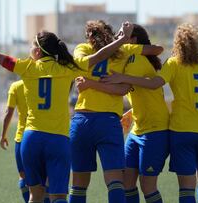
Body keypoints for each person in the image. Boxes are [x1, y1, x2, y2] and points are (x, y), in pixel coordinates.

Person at [0, 21, 135, 203]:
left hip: (31, 139)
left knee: (35, 196)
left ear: (37, 52)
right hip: (57, 141)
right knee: (58, 196)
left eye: (31, 46)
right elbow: (99, 56)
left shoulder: (26, 67)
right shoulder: (69, 68)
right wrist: (121, 40)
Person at [101, 23, 198, 203]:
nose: (117, 37)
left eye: (121, 34)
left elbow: (151, 83)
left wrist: (115, 80)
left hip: (170, 130)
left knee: (168, 186)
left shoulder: (161, 61)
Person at [69, 20, 163, 203]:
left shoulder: (83, 48)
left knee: (78, 186)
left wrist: (90, 84)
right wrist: (123, 41)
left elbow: (84, 63)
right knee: (115, 183)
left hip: (82, 121)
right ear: (109, 34)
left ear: (89, 36)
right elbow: (156, 50)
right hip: (108, 123)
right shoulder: (123, 50)